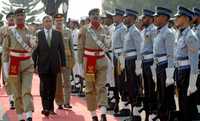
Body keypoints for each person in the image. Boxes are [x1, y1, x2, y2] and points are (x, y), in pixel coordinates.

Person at [2, 8, 36, 121]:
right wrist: (5, 66)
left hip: (27, 64)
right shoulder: (10, 32)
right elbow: (6, 50)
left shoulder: (31, 30)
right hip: (14, 64)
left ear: (25, 16)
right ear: (15, 18)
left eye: (22, 15)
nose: (20, 17)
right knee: (16, 91)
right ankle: (20, 115)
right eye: (18, 16)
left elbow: (35, 45)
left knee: (26, 89)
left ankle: (29, 114)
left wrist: (34, 44)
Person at [78, 8, 110, 121]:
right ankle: (93, 114)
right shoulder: (84, 30)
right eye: (93, 15)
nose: (96, 16)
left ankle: (103, 113)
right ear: (89, 17)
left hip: (101, 60)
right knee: (90, 88)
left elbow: (108, 46)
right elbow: (80, 48)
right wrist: (80, 64)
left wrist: (108, 44)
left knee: (101, 86)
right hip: (89, 61)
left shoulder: (105, 29)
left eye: (97, 14)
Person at [32, 15, 66, 117]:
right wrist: (33, 65)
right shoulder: (38, 35)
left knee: (52, 87)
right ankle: (45, 107)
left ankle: (51, 107)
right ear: (43, 23)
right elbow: (35, 52)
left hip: (54, 65)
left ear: (52, 23)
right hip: (42, 65)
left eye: (50, 21)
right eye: (46, 21)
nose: (48, 23)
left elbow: (62, 51)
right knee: (44, 87)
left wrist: (63, 64)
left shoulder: (57, 34)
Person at [174, 6, 199, 121]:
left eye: (178, 17)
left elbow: (194, 62)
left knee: (188, 105)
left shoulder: (190, 36)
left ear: (185, 18)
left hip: (187, 72)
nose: (176, 19)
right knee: (182, 104)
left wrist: (193, 84)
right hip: (180, 71)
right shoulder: (180, 35)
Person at [151, 6, 176, 121]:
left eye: (157, 16)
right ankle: (162, 116)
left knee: (167, 95)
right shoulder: (159, 32)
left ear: (165, 18)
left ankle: (168, 117)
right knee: (160, 93)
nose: (155, 18)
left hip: (166, 66)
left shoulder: (168, 33)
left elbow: (171, 55)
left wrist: (170, 75)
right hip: (159, 66)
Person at [122, 9, 143, 120]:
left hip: (134, 61)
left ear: (132, 18)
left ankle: (136, 114)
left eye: (127, 16)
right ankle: (132, 112)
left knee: (135, 87)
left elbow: (139, 50)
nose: (125, 18)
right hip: (127, 60)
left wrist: (138, 65)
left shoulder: (134, 31)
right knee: (129, 86)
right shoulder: (127, 31)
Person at [111, 8, 130, 116]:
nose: (114, 17)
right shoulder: (116, 28)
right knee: (117, 83)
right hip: (116, 57)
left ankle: (125, 108)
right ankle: (119, 105)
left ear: (121, 17)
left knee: (122, 82)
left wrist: (122, 62)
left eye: (116, 16)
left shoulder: (122, 29)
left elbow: (125, 46)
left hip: (121, 58)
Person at [54, 13, 74, 109]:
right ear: (54, 21)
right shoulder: (52, 31)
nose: (59, 22)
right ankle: (59, 102)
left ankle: (67, 102)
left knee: (67, 82)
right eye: (57, 21)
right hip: (55, 59)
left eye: (61, 21)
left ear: (63, 21)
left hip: (67, 59)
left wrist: (73, 60)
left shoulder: (68, 31)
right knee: (57, 82)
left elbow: (71, 47)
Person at [140, 9, 157, 121]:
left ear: (151, 19)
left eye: (145, 18)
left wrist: (155, 65)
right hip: (144, 62)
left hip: (151, 62)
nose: (143, 19)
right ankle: (147, 112)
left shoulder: (154, 30)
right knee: (146, 89)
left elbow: (156, 48)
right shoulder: (143, 31)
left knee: (152, 89)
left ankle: (153, 112)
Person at [0, 12, 15, 110]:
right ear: (7, 19)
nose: (12, 20)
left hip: (16, 58)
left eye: (13, 18)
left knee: (15, 78)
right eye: (10, 18)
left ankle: (16, 98)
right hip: (6, 57)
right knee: (7, 79)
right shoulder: (2, 29)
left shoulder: (19, 28)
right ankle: (11, 100)